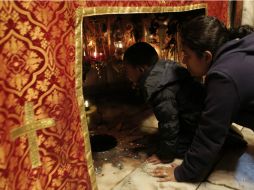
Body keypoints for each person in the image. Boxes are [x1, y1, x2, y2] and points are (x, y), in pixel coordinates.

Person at [151, 15, 254, 182]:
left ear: (206, 56)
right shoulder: (240, 44)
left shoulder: (223, 77)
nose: (183, 61)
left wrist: (183, 172)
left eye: (187, 54)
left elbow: (210, 135)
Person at [124, 42, 206, 164]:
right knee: (158, 137)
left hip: (198, 128)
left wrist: (164, 155)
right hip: (198, 120)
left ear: (140, 69)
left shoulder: (160, 89)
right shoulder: (164, 70)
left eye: (127, 69)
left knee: (160, 144)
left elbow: (169, 123)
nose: (126, 74)